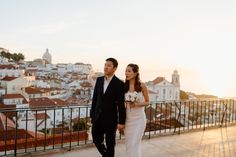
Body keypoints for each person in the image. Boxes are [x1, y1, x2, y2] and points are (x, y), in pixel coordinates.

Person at [90, 57, 126, 157]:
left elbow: (121, 104)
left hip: (111, 119)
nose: (106, 67)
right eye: (105, 65)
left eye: (109, 65)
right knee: (96, 140)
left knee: (110, 144)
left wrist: (121, 122)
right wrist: (92, 115)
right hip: (97, 118)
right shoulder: (99, 80)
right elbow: (95, 99)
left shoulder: (119, 84)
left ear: (115, 68)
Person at [124, 63, 149, 157]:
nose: (126, 73)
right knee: (129, 144)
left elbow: (147, 102)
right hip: (128, 120)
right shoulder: (124, 86)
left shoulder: (142, 86)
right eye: (126, 71)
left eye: (129, 71)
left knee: (135, 143)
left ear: (135, 73)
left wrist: (136, 104)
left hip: (139, 119)